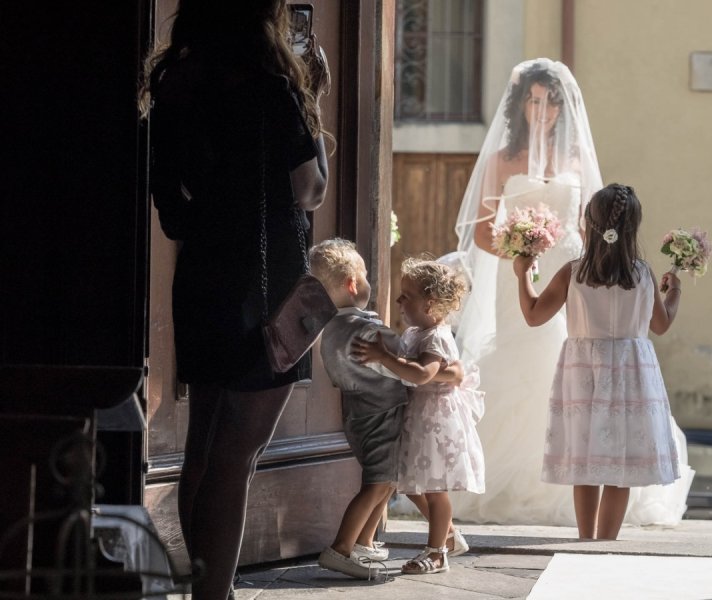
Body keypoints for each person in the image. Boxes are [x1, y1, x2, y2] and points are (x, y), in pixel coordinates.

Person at [451, 58, 693, 526]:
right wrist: (522, 251)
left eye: (550, 103)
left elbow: (595, 225)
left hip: (580, 276)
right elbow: (482, 233)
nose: (541, 111)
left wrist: (581, 261)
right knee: (522, 363)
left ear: (563, 108)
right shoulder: (503, 161)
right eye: (533, 101)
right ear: (520, 104)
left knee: (568, 372)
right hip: (519, 270)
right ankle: (512, 479)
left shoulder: (579, 158)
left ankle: (569, 486)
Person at [141, 1, 330, 598]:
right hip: (265, 287)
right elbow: (310, 190)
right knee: (236, 458)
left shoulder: (176, 83)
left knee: (204, 446)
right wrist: (311, 105)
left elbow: (171, 209)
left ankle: (203, 588)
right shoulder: (272, 89)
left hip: (203, 278)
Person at [513, 183, 684, 539]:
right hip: (632, 375)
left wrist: (522, 276)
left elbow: (532, 315)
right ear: (633, 227)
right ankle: (607, 542)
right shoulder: (643, 274)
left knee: (586, 462)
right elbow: (661, 325)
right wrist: (675, 293)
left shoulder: (573, 272)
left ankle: (585, 539)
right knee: (620, 465)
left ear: (590, 223)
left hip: (583, 373)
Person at [311, 240, 469, 579]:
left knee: (392, 480)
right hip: (382, 414)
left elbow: (413, 365)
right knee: (381, 481)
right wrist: (452, 371)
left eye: (405, 296)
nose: (397, 300)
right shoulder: (370, 331)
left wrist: (445, 369)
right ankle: (341, 548)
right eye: (366, 275)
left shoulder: (332, 329)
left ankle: (377, 540)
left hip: (361, 414)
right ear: (353, 284)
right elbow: (409, 363)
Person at [352, 258, 485, 575]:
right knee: (411, 485)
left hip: (434, 421)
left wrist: (384, 357)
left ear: (431, 303)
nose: (399, 301)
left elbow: (424, 374)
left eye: (406, 295)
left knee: (435, 489)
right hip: (419, 416)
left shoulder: (436, 337)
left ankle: (437, 552)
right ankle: (449, 535)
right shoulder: (415, 332)